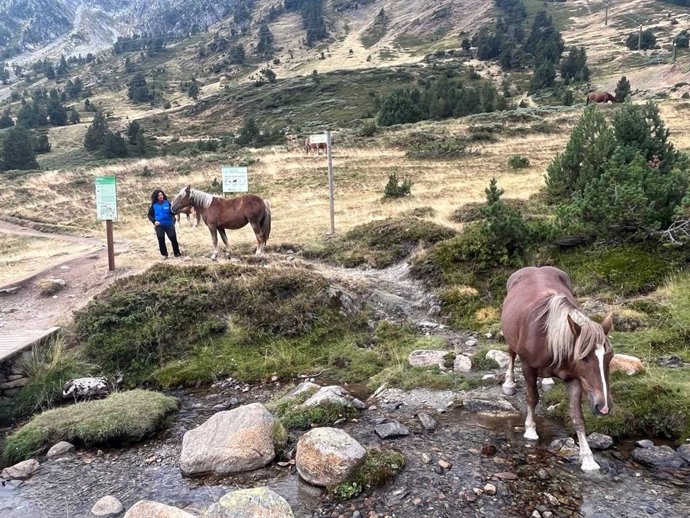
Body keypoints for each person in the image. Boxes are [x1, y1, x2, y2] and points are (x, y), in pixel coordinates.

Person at [148, 189, 181, 258]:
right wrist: (154, 221)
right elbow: (149, 215)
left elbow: (172, 212)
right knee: (161, 240)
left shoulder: (168, 203)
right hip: (159, 226)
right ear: (156, 197)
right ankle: (164, 254)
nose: (160, 196)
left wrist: (176, 210)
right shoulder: (154, 206)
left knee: (173, 239)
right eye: (159, 195)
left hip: (169, 224)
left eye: (161, 195)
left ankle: (177, 253)